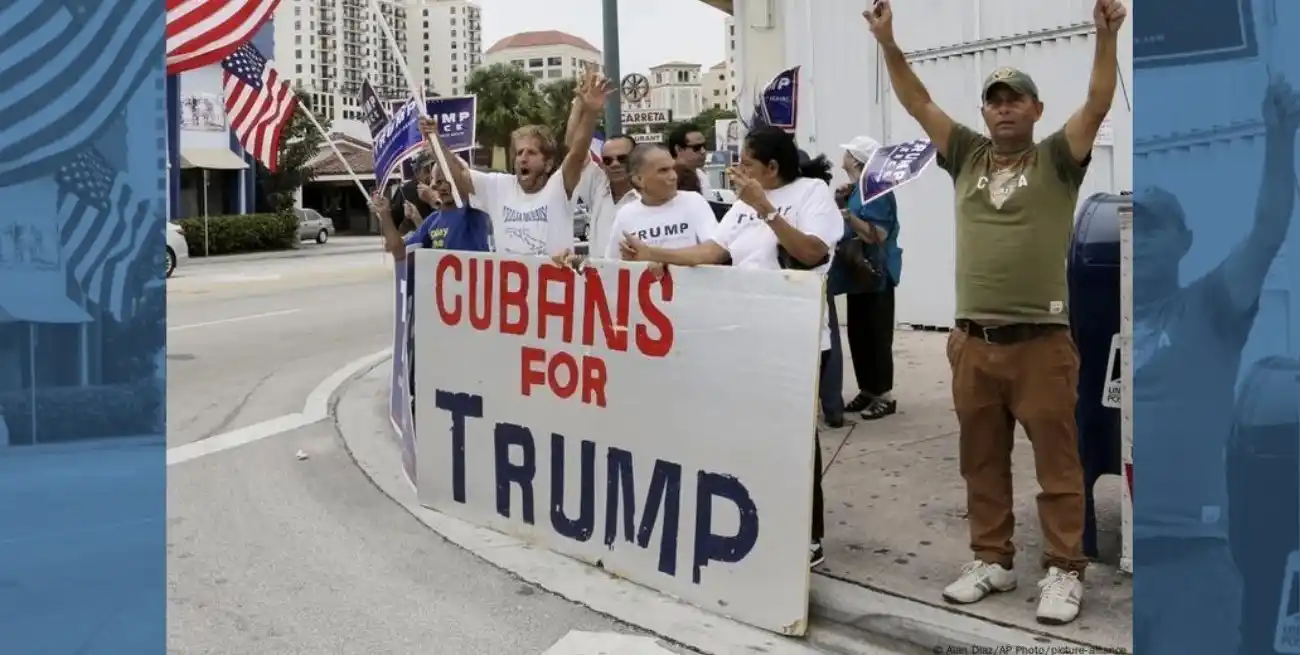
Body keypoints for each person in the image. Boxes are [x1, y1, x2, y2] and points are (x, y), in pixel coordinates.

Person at [864, 0, 1126, 625]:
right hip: (972, 342)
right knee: (980, 461)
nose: (1004, 106)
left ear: (1035, 110)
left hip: (1042, 343)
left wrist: (1105, 36)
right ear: (985, 111)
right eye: (995, 99)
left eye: (1016, 98)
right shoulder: (967, 156)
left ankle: (1064, 570)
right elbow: (918, 101)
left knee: (1059, 466)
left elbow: (1096, 103)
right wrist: (889, 43)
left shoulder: (1059, 159)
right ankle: (993, 558)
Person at [619, 125, 842, 568]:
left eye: (747, 162)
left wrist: (768, 210)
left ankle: (808, 534)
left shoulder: (810, 193)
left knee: (794, 437)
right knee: (750, 433)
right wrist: (657, 255)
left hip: (794, 336)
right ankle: (763, 520)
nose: (738, 170)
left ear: (772, 167)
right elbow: (712, 252)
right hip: (746, 335)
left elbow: (813, 252)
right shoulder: (741, 204)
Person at [1136, 80, 1297, 653]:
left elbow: (1268, 230)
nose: (1140, 238)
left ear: (1185, 241)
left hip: (1192, 559)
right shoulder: (1101, 321)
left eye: (1154, 226)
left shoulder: (1210, 307)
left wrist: (1281, 139)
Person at [418, 69, 612, 257]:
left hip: (554, 289)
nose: (523, 158)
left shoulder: (560, 186)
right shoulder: (498, 186)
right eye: (519, 152)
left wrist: (591, 113)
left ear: (548, 163)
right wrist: (436, 140)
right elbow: (459, 175)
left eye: (531, 152)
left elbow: (577, 153)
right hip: (511, 290)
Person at [834, 136, 902, 421]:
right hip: (857, 272)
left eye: (848, 152)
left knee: (876, 334)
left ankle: (883, 394)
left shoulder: (877, 190)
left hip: (875, 272)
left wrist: (850, 217)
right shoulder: (859, 189)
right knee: (859, 333)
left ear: (858, 160)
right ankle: (867, 389)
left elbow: (878, 235)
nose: (844, 155)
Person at [602, 144, 716, 260]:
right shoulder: (626, 214)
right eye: (663, 171)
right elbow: (611, 265)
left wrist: (651, 254)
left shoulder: (693, 202)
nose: (673, 176)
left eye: (672, 168)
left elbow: (713, 252)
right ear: (639, 180)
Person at [568, 132, 639, 257]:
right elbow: (574, 148)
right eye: (607, 160)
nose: (615, 164)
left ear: (637, 159)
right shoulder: (597, 187)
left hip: (634, 275)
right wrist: (585, 113)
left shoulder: (651, 197)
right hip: (597, 275)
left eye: (622, 158)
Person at [666, 122, 712, 194]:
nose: (703, 151)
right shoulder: (665, 178)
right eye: (697, 147)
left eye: (705, 146)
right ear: (678, 149)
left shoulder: (701, 175)